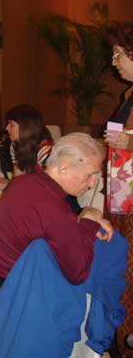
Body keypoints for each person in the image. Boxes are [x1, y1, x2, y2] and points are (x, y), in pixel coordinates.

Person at [0, 133, 113, 303]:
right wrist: (88, 220)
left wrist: (82, 218)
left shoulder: (22, 183)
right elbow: (79, 273)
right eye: (90, 175)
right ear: (64, 168)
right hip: (10, 293)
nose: (93, 183)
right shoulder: (53, 209)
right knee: (109, 257)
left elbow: (50, 228)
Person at [104, 22, 133, 354]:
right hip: (122, 195)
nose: (114, 62)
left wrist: (128, 140)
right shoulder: (128, 94)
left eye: (118, 54)